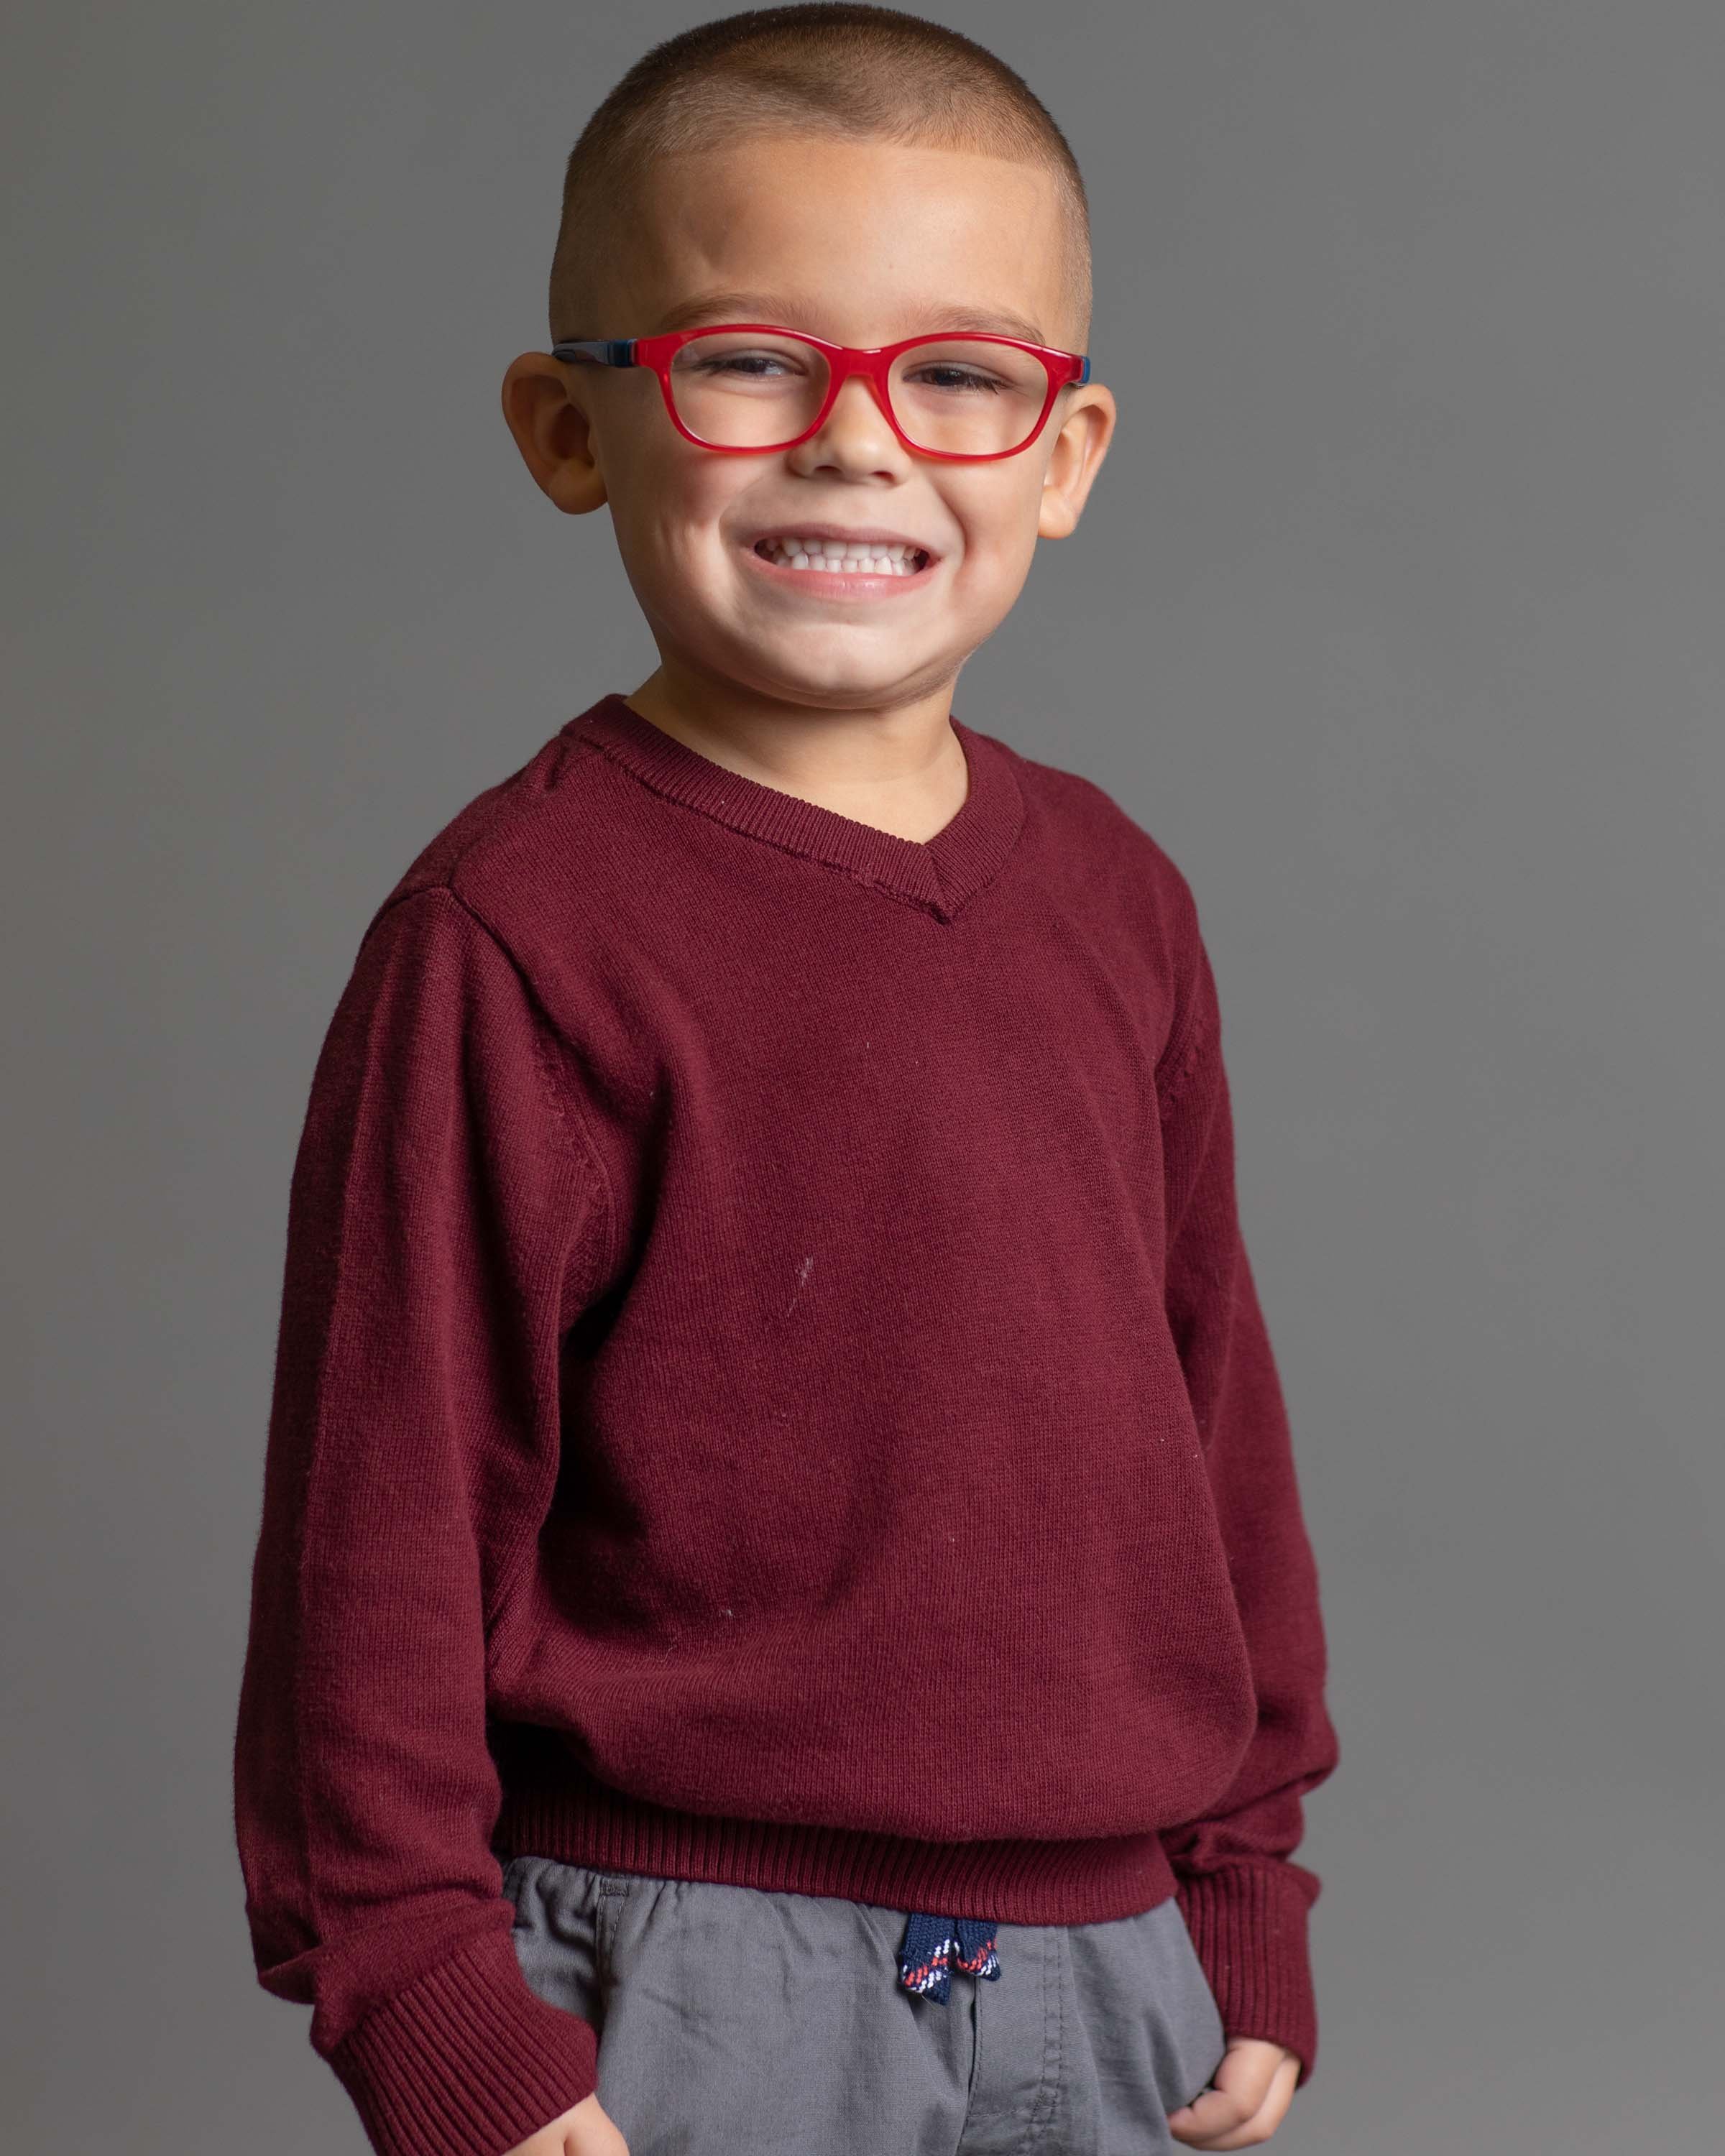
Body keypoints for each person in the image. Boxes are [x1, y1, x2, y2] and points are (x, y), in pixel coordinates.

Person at [231, 8, 1342, 2155]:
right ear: (573, 428)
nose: (861, 444)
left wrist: (1246, 1883)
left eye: (957, 374)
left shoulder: (1118, 895)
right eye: (754, 361)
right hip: (681, 1963)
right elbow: (375, 1535)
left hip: (1114, 1960)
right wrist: (430, 1997)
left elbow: (1213, 1425)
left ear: (1066, 452)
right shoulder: (512, 935)